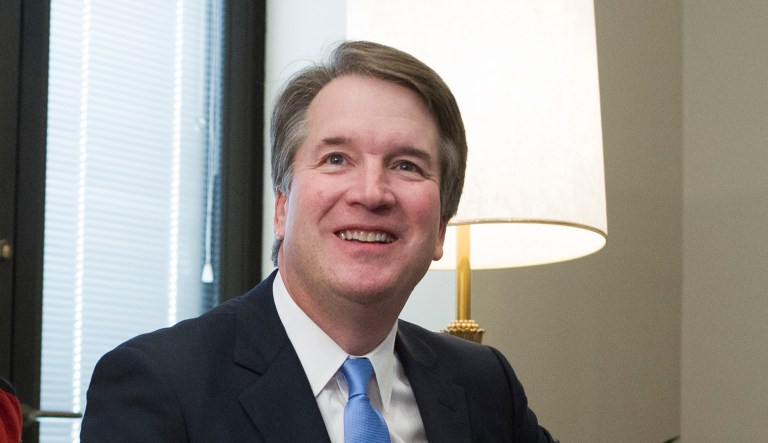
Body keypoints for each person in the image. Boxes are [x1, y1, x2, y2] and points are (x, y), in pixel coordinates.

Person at [81, 40, 557, 442]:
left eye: (406, 165)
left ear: (440, 228)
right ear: (282, 206)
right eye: (336, 159)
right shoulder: (157, 387)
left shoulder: (486, 387)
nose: (372, 192)